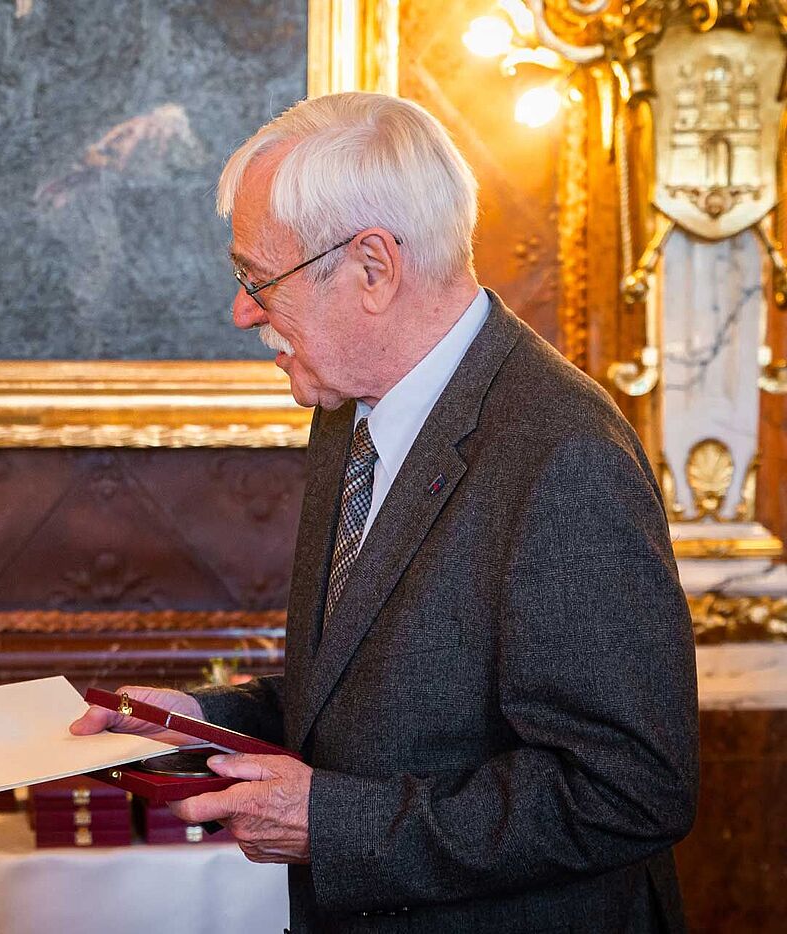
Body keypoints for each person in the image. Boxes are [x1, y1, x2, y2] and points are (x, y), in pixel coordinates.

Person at [73, 92, 699, 933]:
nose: (243, 311)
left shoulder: (565, 453)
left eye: (261, 279)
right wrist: (203, 719)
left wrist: (334, 825)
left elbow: (628, 788)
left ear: (373, 266)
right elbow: (382, 696)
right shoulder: (349, 413)